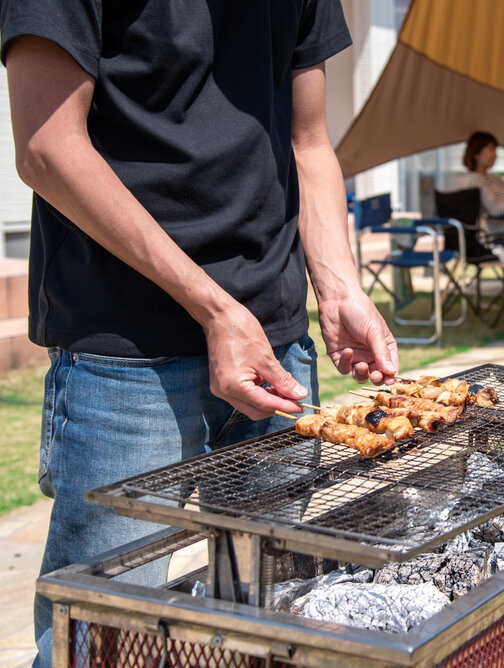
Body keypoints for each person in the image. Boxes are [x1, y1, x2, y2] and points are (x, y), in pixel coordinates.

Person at [0, 2, 398, 666]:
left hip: (278, 352)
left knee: (274, 623)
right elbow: (47, 146)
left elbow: (307, 142)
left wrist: (339, 289)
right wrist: (214, 309)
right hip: (125, 358)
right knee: (107, 643)